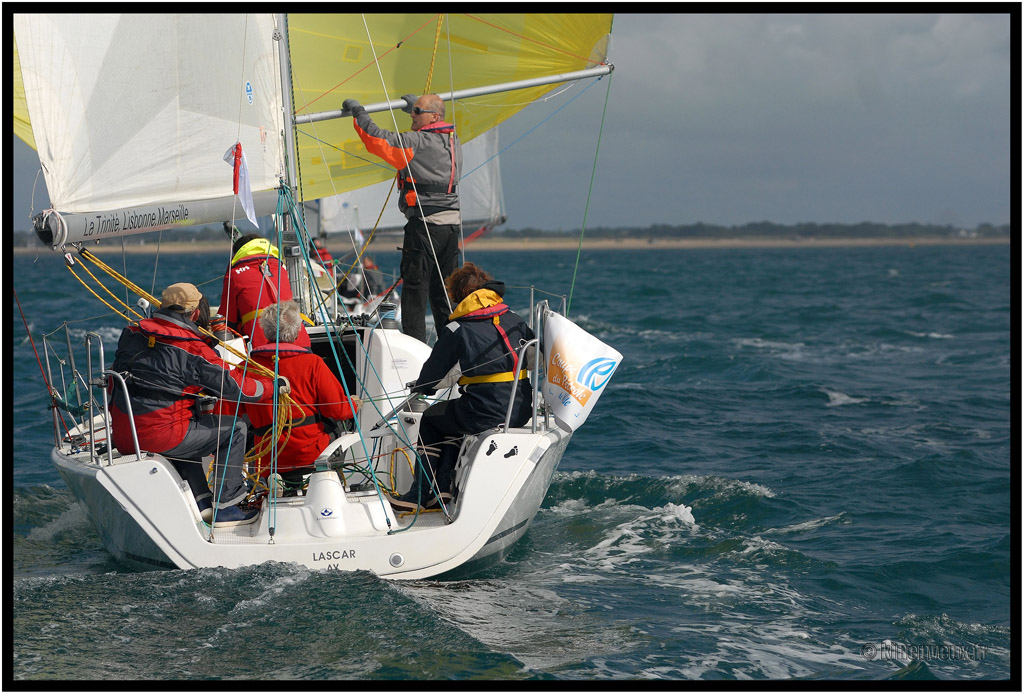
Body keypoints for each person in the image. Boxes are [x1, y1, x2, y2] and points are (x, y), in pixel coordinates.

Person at [108, 282, 288, 526]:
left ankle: (203, 501)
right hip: (159, 436)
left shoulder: (133, 333)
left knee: (188, 421)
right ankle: (227, 505)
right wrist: (272, 387)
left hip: (124, 435)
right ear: (194, 313)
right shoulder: (193, 349)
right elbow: (235, 388)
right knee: (235, 430)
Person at [393, 263, 535, 510]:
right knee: (452, 417)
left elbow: (430, 379)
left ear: (458, 296)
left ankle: (419, 494)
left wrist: (423, 387)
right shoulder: (513, 318)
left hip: (485, 412)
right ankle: (443, 491)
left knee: (430, 419)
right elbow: (535, 357)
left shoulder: (457, 327)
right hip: (522, 410)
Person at [342, 93, 463, 343]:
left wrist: (359, 113)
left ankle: (416, 353)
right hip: (451, 229)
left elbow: (379, 140)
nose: (412, 115)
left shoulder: (417, 142)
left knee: (414, 294)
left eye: (417, 111)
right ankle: (453, 352)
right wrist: (414, 106)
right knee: (444, 294)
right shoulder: (452, 140)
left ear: (434, 117)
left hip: (425, 228)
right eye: (413, 110)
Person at [244, 300, 360, 493]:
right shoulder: (312, 363)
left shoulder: (248, 366)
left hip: (269, 457)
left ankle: (276, 483)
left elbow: (231, 410)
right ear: (298, 331)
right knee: (339, 427)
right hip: (309, 453)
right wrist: (354, 404)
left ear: (265, 332)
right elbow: (339, 410)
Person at [220, 233, 310, 349]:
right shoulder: (280, 269)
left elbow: (227, 320)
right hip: (300, 341)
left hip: (261, 346)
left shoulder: (234, 274)